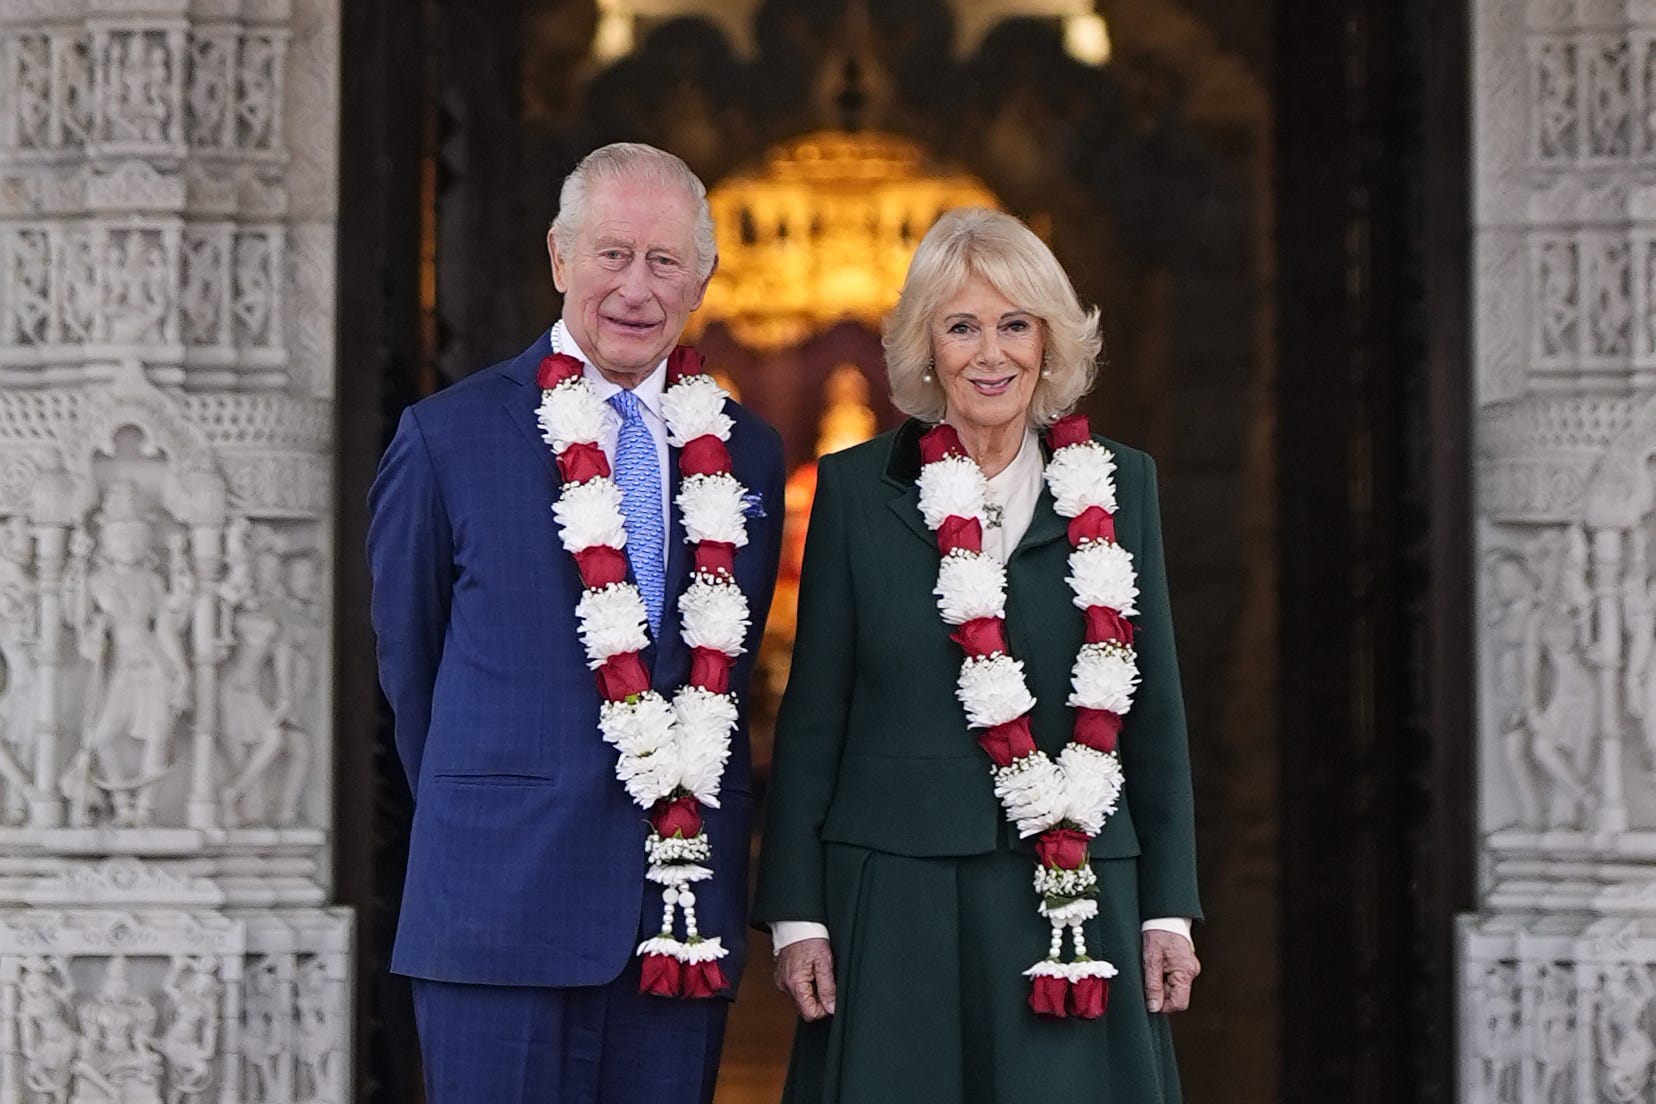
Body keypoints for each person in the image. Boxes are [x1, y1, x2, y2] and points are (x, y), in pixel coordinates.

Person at [753, 207, 1201, 1103]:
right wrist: (795, 915)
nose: (989, 354)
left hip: (1074, 888)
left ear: (1050, 341)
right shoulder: (853, 489)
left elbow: (1154, 710)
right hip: (900, 889)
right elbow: (815, 716)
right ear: (926, 346)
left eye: (1015, 325)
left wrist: (1169, 909)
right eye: (962, 326)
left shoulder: (1122, 485)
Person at [368, 143, 785, 1103]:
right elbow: (410, 673)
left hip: (677, 917)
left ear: (704, 278)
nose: (636, 288)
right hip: (498, 906)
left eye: (665, 261)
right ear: (559, 258)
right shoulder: (447, 437)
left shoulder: (748, 454)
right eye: (612, 254)